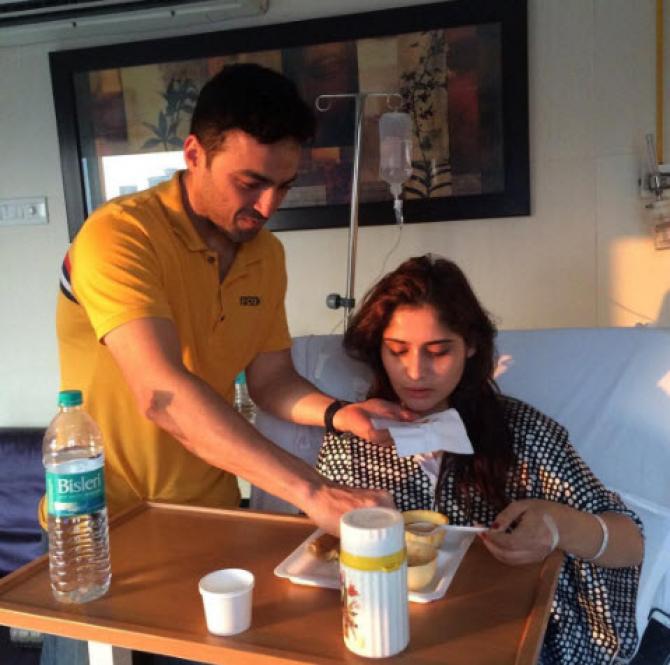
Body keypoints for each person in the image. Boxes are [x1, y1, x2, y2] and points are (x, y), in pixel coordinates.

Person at [40, 63, 409, 665]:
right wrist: (313, 491)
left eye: (284, 186)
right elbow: (162, 394)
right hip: (103, 529)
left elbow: (272, 380)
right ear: (194, 154)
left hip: (210, 519)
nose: (268, 206)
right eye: (250, 183)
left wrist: (341, 413)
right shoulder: (119, 236)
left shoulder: (266, 256)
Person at [316, 254, 644, 665]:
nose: (415, 372)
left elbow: (629, 543)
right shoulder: (353, 438)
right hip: (383, 639)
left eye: (438, 352)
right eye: (397, 350)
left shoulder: (521, 432)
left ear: (470, 346)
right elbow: (316, 558)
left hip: (509, 639)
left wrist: (557, 526)